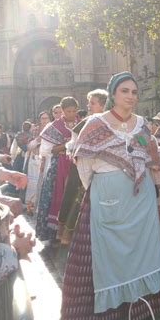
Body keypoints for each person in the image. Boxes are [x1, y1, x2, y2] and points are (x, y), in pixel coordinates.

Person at [61, 72, 160, 320]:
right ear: (113, 93)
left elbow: (145, 152)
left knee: (141, 251)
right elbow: (84, 165)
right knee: (102, 256)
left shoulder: (142, 124)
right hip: (106, 197)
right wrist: (104, 190)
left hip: (140, 199)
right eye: (125, 91)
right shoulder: (96, 123)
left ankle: (139, 308)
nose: (131, 96)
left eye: (134, 92)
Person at [57, 89, 108, 245]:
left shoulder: (109, 121)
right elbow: (72, 144)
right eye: (88, 102)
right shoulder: (86, 122)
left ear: (103, 104)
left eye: (92, 103)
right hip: (81, 167)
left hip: (101, 169)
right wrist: (75, 151)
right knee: (75, 196)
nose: (88, 106)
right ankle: (71, 235)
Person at [35, 97, 78, 241]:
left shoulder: (82, 124)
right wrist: (66, 145)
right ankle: (55, 234)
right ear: (63, 110)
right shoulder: (54, 126)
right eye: (68, 111)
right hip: (58, 166)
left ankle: (73, 232)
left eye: (74, 111)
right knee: (56, 194)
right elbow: (47, 150)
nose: (71, 113)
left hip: (77, 166)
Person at [23, 111, 51, 214]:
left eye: (46, 118)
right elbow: (28, 146)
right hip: (35, 159)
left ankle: (42, 208)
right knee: (33, 184)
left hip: (47, 159)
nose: (44, 120)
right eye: (42, 118)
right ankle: (30, 207)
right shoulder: (35, 130)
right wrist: (38, 140)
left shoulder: (52, 129)